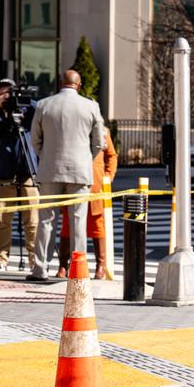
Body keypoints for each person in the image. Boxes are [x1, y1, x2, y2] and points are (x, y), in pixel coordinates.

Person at [28, 69, 104, 281]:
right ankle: (78, 270)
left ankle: (40, 268)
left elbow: (34, 139)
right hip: (80, 171)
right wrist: (86, 158)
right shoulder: (91, 106)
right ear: (79, 85)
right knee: (78, 221)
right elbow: (99, 142)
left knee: (46, 221)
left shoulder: (44, 105)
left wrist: (46, 156)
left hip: (50, 170)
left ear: (60, 83)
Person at [0, 79, 39, 272]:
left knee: (33, 221)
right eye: (2, 92)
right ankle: (1, 259)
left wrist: (26, 100)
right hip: (2, 175)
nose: (7, 96)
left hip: (27, 173)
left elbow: (42, 112)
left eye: (10, 92)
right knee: (3, 220)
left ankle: (34, 260)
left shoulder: (28, 113)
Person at [56, 127, 117, 280]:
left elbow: (111, 155)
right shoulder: (72, 128)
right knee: (67, 227)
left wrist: (108, 176)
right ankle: (64, 265)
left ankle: (100, 266)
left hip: (95, 186)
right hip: (73, 184)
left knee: (97, 226)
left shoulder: (103, 131)